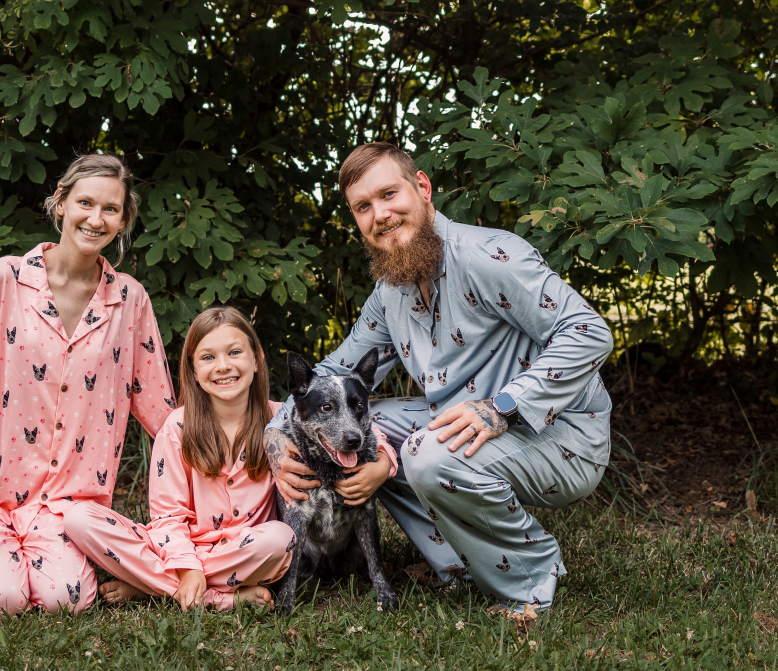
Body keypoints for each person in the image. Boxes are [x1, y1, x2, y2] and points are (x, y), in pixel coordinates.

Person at [265, 143, 615, 610]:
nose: (380, 215)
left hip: (562, 435)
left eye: (389, 194)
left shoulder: (489, 256)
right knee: (362, 429)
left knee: (424, 454)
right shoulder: (390, 289)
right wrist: (275, 432)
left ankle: (530, 580)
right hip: (462, 426)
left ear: (423, 188)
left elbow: (589, 332)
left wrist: (503, 407)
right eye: (363, 207)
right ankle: (459, 565)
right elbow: (336, 372)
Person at [0, 153, 175, 615]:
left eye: (111, 209)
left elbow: (163, 412)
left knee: (68, 600)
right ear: (60, 204)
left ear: (123, 221)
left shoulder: (129, 300)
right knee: (4, 598)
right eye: (84, 202)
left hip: (68, 504)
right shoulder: (2, 280)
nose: (95, 219)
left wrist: (258, 425)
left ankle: (13, 561)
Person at [64, 306, 399, 610]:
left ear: (256, 360)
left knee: (280, 539)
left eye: (235, 352)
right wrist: (189, 567)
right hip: (180, 551)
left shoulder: (281, 418)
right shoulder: (177, 427)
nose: (223, 366)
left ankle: (151, 584)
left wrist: (383, 460)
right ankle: (218, 596)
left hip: (250, 551)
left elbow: (360, 430)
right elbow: (168, 518)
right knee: (79, 518)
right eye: (208, 357)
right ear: (193, 370)